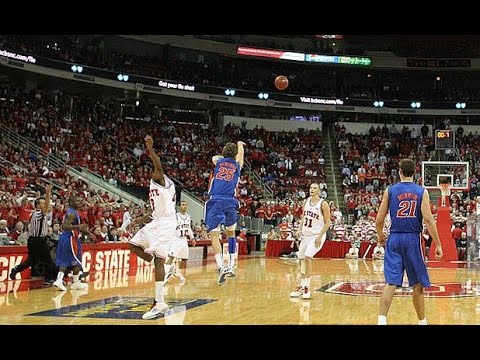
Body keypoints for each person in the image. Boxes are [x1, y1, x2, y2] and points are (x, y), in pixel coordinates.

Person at [376, 158, 443, 325]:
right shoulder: (422, 192)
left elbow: (379, 219)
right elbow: (428, 219)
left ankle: (381, 321)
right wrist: (438, 244)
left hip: (394, 238)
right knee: (418, 284)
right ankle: (422, 322)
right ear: (415, 172)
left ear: (399, 172)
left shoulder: (390, 191)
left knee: (390, 282)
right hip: (413, 238)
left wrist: (380, 235)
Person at [128, 135, 177, 319]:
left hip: (166, 224)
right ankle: (161, 267)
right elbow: (153, 213)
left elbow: (158, 166)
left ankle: (159, 301)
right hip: (157, 222)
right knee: (133, 245)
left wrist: (150, 150)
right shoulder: (160, 187)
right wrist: (138, 221)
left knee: (159, 259)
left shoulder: (159, 179)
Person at [205, 141, 245, 285]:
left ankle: (221, 266)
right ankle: (231, 266)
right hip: (230, 201)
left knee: (214, 235)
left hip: (216, 200)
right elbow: (240, 156)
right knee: (231, 234)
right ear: (235, 155)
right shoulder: (237, 165)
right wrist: (240, 145)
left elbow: (214, 158)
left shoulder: (218, 162)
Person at [289, 183, 331, 299]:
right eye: (311, 188)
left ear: (319, 191)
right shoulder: (306, 201)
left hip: (317, 235)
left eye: (315, 188)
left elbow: (328, 222)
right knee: (302, 260)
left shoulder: (323, 203)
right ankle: (302, 286)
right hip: (306, 236)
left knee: (307, 257)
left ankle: (307, 287)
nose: (312, 190)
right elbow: (303, 217)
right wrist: (299, 229)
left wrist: (320, 236)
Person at [10, 185, 56, 284]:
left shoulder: (38, 213)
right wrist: (48, 194)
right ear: (38, 205)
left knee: (32, 260)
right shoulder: (38, 213)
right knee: (48, 259)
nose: (45, 205)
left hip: (34, 240)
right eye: (43, 203)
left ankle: (16, 269)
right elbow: (47, 208)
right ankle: (48, 279)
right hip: (37, 240)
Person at [52, 194, 89, 292]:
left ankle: (76, 282)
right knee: (66, 260)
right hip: (68, 238)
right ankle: (59, 280)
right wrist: (79, 226)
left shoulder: (74, 212)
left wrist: (82, 230)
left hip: (73, 238)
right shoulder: (71, 213)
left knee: (77, 261)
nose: (80, 203)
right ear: (72, 202)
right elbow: (65, 226)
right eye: (77, 201)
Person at [165, 200, 194, 284]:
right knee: (171, 257)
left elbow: (189, 228)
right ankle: (165, 275)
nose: (185, 206)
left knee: (184, 259)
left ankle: (177, 272)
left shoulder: (188, 217)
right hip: (176, 239)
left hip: (184, 240)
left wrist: (192, 238)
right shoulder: (176, 216)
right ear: (179, 206)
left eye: (186, 205)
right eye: (183, 205)